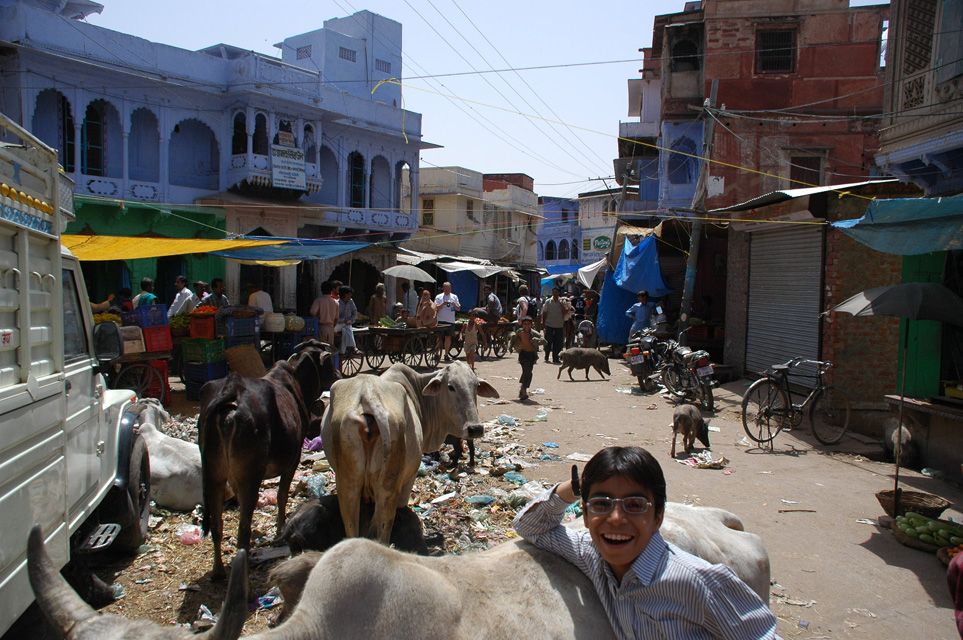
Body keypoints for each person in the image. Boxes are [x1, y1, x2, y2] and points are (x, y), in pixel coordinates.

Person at [513, 446, 781, 639]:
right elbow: (529, 525)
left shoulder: (698, 582)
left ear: (658, 517)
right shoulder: (590, 555)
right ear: (584, 515)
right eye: (601, 504)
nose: (616, 518)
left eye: (635, 505)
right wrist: (575, 486)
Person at [509, 315, 545, 401]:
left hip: (532, 355)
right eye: (525, 324)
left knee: (527, 372)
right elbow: (513, 338)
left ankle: (522, 387)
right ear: (522, 325)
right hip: (523, 354)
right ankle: (524, 390)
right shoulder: (520, 332)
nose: (527, 326)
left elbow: (544, 341)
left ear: (531, 324)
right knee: (528, 372)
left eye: (528, 324)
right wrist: (510, 347)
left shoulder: (534, 333)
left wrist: (536, 340)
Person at [434, 282, 460, 360]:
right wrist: (443, 304)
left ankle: (446, 354)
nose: (447, 291)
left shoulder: (454, 297)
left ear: (450, 289)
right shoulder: (439, 297)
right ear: (443, 289)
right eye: (445, 290)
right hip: (441, 320)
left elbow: (458, 308)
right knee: (438, 337)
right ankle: (436, 354)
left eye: (448, 290)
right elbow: (435, 308)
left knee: (448, 337)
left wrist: (454, 304)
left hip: (450, 320)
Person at [540, 286, 566, 364]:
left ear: (559, 293)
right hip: (549, 324)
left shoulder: (562, 302)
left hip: (559, 325)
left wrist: (561, 304)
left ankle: (555, 358)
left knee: (558, 343)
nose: (555, 294)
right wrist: (543, 323)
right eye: (553, 292)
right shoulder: (548, 302)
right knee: (548, 342)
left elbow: (565, 312)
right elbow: (544, 313)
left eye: (556, 292)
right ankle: (547, 355)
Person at [336, 285, 358, 354]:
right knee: (347, 328)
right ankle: (353, 347)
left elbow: (354, 312)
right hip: (337, 324)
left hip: (347, 324)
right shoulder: (337, 303)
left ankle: (342, 351)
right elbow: (335, 317)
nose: (351, 295)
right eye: (349, 294)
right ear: (345, 294)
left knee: (345, 330)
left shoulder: (350, 301)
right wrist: (343, 320)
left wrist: (351, 321)